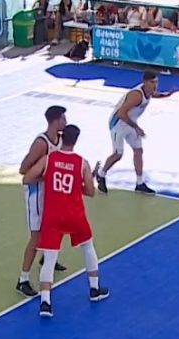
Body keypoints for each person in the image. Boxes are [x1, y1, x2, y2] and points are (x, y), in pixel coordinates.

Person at [23, 125, 110, 318]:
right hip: (75, 215)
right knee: (88, 247)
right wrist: (80, 184)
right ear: (76, 140)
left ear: (61, 138)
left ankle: (45, 303)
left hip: (53, 216)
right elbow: (90, 192)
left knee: (50, 258)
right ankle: (94, 289)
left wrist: (47, 179)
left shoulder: (48, 159)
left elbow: (27, 178)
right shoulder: (82, 163)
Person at [16, 106, 69, 298]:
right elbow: (23, 170)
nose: (65, 122)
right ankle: (22, 280)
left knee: (55, 227)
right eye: (63, 119)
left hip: (51, 193)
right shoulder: (41, 143)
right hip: (36, 194)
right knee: (36, 237)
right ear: (55, 121)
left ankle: (47, 259)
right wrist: (47, 176)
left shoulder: (61, 139)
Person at [95, 70, 174, 194]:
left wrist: (165, 95)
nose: (155, 85)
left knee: (138, 151)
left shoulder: (149, 91)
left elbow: (153, 94)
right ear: (144, 82)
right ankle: (101, 174)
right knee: (118, 154)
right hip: (118, 124)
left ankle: (139, 183)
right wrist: (136, 127)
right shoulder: (136, 95)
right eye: (152, 82)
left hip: (131, 123)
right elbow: (121, 113)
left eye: (156, 82)